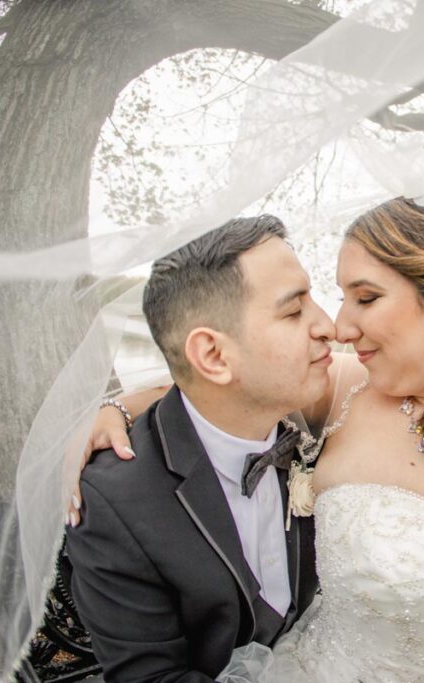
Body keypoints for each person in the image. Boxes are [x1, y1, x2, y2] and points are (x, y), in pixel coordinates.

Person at [80, 198, 424, 681]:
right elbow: (214, 381)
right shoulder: (343, 388)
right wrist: (110, 409)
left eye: (365, 299)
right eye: (333, 300)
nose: (340, 326)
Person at [65, 215, 336, 680]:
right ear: (212, 356)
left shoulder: (325, 409)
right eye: (294, 312)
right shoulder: (116, 503)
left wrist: (116, 404)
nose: (329, 326)